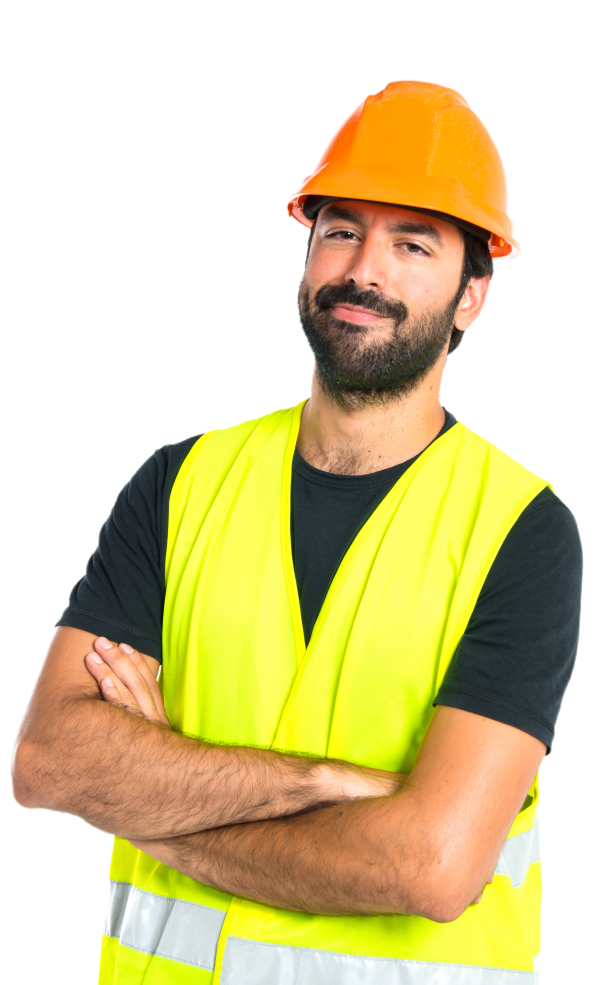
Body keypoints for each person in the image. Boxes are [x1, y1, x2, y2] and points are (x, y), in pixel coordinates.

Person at [10, 79, 583, 984]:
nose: (364, 270)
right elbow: (48, 762)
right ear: (306, 248)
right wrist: (316, 783)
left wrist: (152, 795)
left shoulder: (521, 529)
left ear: (473, 292)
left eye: (412, 244)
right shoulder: (178, 482)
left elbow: (431, 864)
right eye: (341, 230)